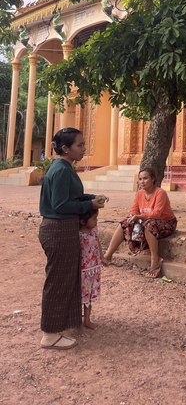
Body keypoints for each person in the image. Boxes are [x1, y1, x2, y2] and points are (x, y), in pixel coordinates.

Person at [39, 127, 108, 350]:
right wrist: (88, 205)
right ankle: (49, 335)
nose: (84, 149)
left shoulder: (65, 168)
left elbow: (72, 197)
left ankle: (64, 324)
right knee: (58, 280)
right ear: (65, 148)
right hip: (58, 229)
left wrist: (91, 198)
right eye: (79, 145)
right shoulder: (60, 170)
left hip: (65, 229)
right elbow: (60, 204)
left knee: (67, 278)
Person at [104, 168, 177, 278]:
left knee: (149, 225)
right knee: (124, 223)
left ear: (153, 179)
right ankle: (108, 255)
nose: (142, 181)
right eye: (140, 179)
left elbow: (157, 214)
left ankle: (155, 259)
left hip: (166, 223)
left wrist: (139, 216)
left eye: (145, 178)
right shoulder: (139, 194)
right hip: (146, 221)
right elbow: (134, 209)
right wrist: (132, 216)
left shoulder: (160, 193)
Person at [79, 208, 108, 329]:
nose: (96, 221)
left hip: (94, 269)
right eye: (94, 219)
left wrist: (102, 257)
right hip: (83, 271)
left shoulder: (94, 230)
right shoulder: (78, 235)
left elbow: (97, 243)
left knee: (89, 296)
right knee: (83, 296)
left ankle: (87, 319)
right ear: (82, 221)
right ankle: (81, 319)